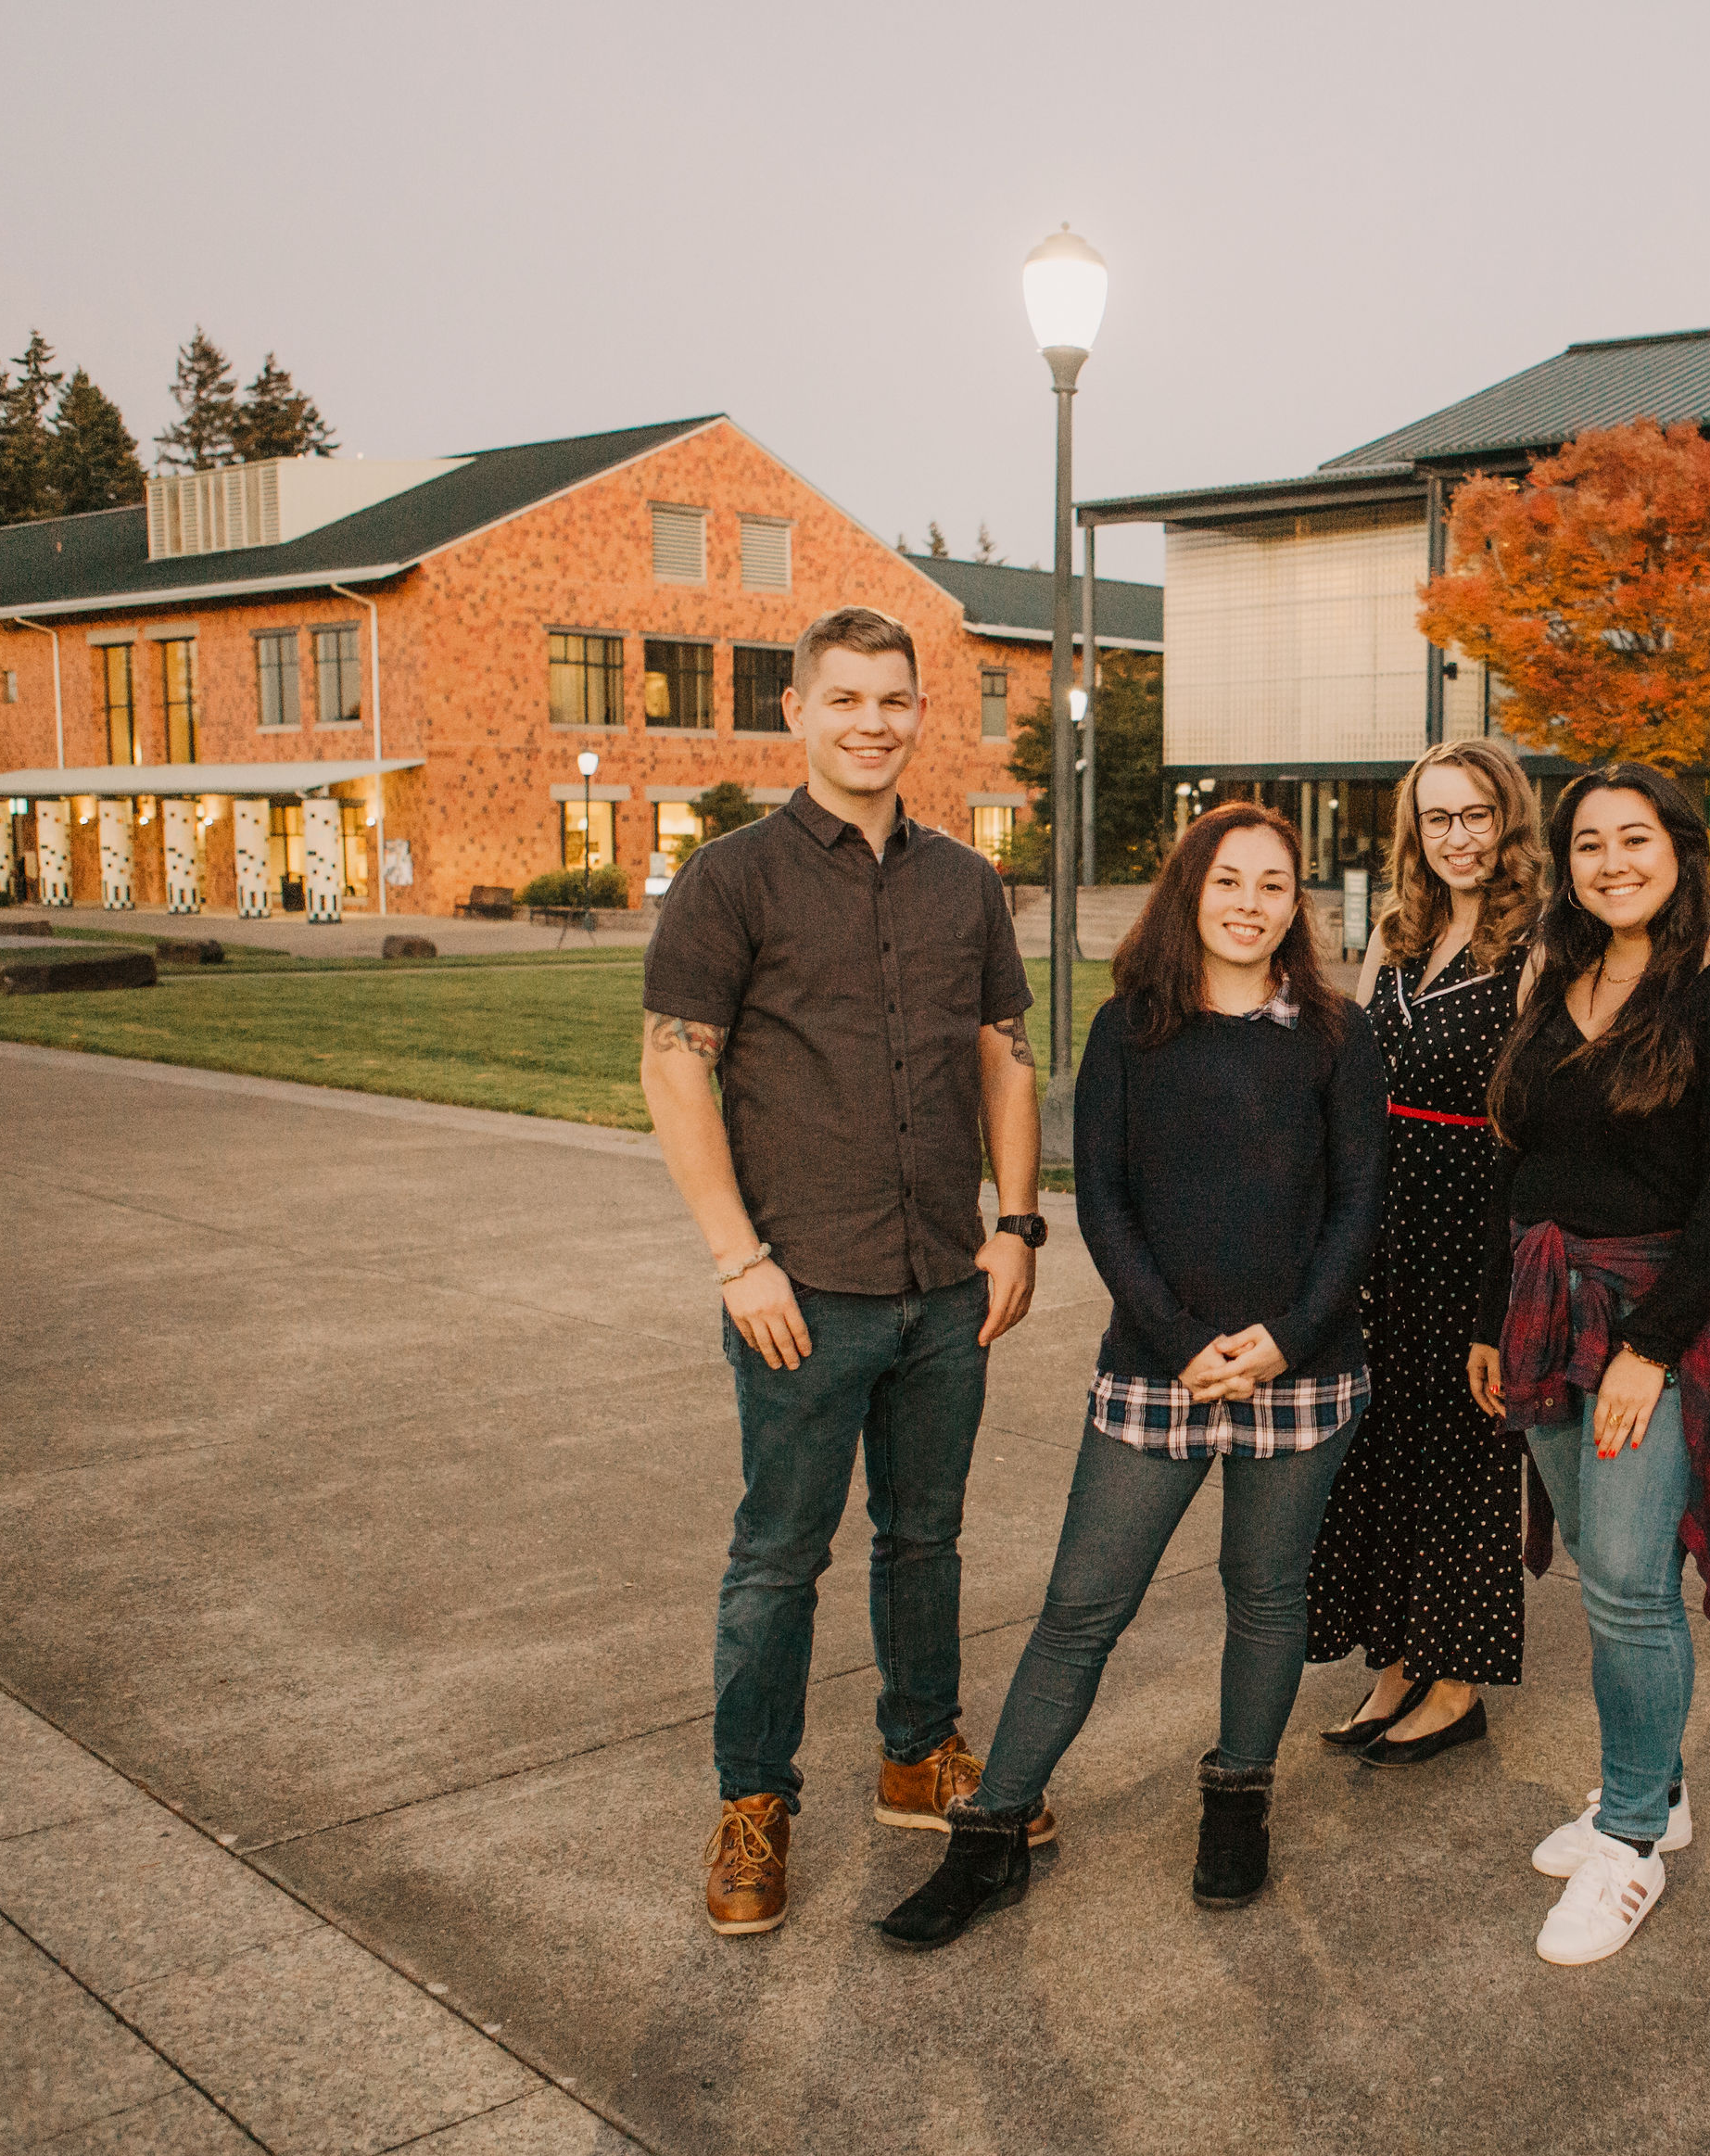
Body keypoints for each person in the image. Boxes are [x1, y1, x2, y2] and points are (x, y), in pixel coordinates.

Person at [884, 802, 1386, 1950]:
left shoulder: (1337, 1036)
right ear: (1189, 893)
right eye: (1228, 881)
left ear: (1294, 903)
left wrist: (1287, 1339)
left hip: (1299, 1372)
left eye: (1274, 883)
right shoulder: (1129, 1029)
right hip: (1156, 1369)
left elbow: (1360, 1204)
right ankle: (993, 1832)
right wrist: (1177, 1340)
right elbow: (1101, 1201)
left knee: (1265, 1599)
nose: (1251, 904)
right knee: (1079, 1610)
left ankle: (1236, 1801)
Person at [640, 605, 1047, 1938]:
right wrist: (736, 1258)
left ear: (921, 711)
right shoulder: (732, 879)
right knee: (778, 1558)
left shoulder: (964, 884)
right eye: (847, 698)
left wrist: (1018, 1224)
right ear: (796, 713)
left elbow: (1002, 1055)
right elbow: (673, 1062)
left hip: (945, 1282)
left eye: (895, 699)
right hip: (800, 1289)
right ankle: (754, 1801)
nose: (872, 721)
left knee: (925, 1538)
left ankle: (918, 1754)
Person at [1470, 765, 1710, 1967]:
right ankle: (1654, 1791)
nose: (1613, 862)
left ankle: (1629, 1843)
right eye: (1590, 845)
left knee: (1621, 1574)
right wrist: (1484, 1319)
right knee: (1618, 1584)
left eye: (1636, 839)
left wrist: (1649, 1350)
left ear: (1680, 845)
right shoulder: (1557, 976)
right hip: (1545, 1305)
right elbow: (1519, 1160)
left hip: (1666, 1308)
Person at [1308, 738, 1546, 1769]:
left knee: (1465, 1451)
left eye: (1478, 816)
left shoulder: (1539, 941)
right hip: (1384, 1215)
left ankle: (1455, 1680)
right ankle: (1394, 1663)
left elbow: (1534, 1112)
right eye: (1439, 818)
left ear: (1511, 823)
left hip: (1475, 1212)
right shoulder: (1397, 934)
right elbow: (1352, 1064)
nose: (1459, 838)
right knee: (1381, 1443)